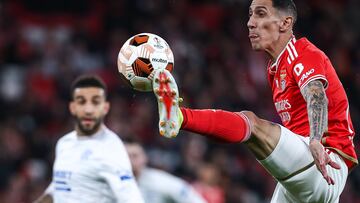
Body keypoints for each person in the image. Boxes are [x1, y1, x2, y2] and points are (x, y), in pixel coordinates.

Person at [150, 0, 358, 202]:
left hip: (325, 160)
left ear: (285, 23)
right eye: (250, 14)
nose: (250, 22)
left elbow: (316, 94)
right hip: (305, 172)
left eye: (260, 13)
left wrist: (315, 139)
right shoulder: (273, 69)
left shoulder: (303, 54)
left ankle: (178, 116)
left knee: (252, 124)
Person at [34, 75, 144, 203]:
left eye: (95, 102)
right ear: (72, 107)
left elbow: (131, 198)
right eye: (81, 101)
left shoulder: (111, 149)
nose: (88, 110)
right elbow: (58, 189)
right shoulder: (64, 143)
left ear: (105, 108)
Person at [124, 138, 207, 203]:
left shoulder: (159, 181)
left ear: (145, 158)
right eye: (127, 156)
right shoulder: (116, 182)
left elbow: (190, 197)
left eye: (135, 156)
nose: (130, 160)